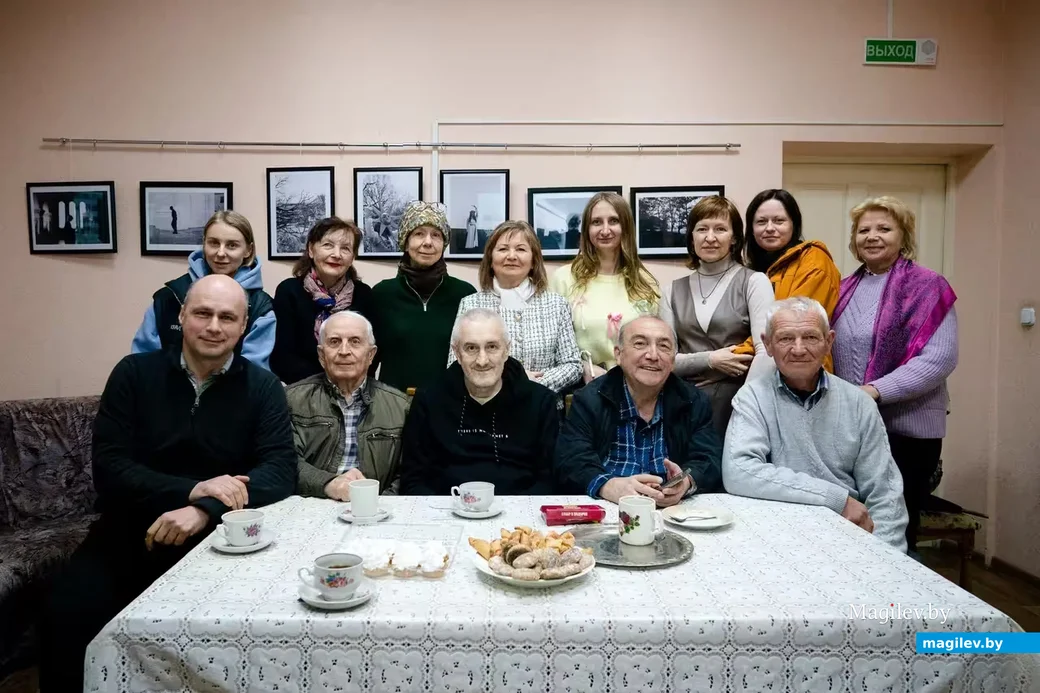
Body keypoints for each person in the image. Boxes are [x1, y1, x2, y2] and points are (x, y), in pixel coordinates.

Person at [39, 275, 296, 693]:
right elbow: (109, 467)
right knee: (67, 619)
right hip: (129, 534)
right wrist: (193, 489)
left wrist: (203, 510)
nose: (214, 326)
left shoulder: (263, 387)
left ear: (244, 326)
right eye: (203, 313)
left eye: (227, 317)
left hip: (221, 545)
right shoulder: (133, 375)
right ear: (181, 316)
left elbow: (279, 471)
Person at [723, 297, 909, 552]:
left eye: (810, 337)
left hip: (847, 540)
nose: (798, 349)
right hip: (775, 540)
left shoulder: (859, 404)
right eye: (786, 338)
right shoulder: (752, 397)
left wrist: (887, 559)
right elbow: (739, 472)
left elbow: (885, 496)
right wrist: (835, 499)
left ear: (828, 342)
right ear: (767, 344)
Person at [832, 196, 957, 549]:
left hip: (908, 431)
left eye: (884, 229)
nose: (872, 236)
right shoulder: (843, 289)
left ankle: (897, 601)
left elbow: (940, 359)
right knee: (854, 523)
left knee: (897, 527)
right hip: (853, 427)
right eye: (863, 230)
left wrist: (873, 391)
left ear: (904, 236)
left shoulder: (929, 287)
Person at [554, 315, 722, 506]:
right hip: (608, 506)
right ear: (619, 354)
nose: (653, 355)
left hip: (672, 510)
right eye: (640, 344)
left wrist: (685, 482)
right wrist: (608, 486)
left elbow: (708, 459)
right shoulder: (590, 399)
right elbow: (570, 460)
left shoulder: (693, 400)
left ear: (673, 360)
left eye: (664, 346)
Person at [400, 308, 558, 495]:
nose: (482, 361)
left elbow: (551, 479)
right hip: (446, 513)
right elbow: (412, 481)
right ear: (457, 353)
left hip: (518, 516)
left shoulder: (541, 402)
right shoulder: (428, 400)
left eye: (492, 347)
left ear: (507, 350)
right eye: (471, 348)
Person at [659, 195, 774, 437]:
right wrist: (710, 360)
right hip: (683, 407)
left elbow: (767, 352)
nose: (710, 237)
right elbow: (665, 360)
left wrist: (745, 404)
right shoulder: (670, 290)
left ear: (734, 238)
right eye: (702, 229)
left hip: (738, 406)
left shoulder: (754, 282)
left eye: (720, 229)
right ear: (692, 237)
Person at [287, 311, 409, 500]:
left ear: (371, 355)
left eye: (355, 341)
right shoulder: (291, 400)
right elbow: (285, 460)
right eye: (334, 342)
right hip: (312, 505)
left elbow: (408, 470)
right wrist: (327, 484)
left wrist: (379, 503)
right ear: (321, 354)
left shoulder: (401, 406)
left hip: (379, 509)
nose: (344, 351)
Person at [449, 220, 581, 394]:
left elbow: (573, 365)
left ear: (533, 260)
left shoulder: (557, 305)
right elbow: (455, 362)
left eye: (520, 249)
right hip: (484, 408)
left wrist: (534, 383)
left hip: (542, 408)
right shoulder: (471, 304)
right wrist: (508, 381)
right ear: (490, 259)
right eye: (503, 249)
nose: (511, 256)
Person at [131, 210, 276, 370]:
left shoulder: (260, 308)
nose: (221, 253)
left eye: (232, 245)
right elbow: (141, 365)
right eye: (214, 243)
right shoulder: (169, 298)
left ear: (248, 250)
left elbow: (255, 376)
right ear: (204, 244)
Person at [550, 192, 660, 382]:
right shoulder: (564, 278)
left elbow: (655, 343)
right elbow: (551, 344)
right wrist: (582, 367)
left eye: (614, 221)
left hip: (636, 386)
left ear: (625, 227)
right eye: (597, 222)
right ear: (586, 229)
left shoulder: (645, 282)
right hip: (582, 387)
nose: (605, 229)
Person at [371, 201, 476, 392]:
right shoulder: (382, 294)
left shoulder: (465, 295)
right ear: (405, 240)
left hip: (449, 406)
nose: (427, 242)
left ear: (443, 243)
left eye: (436, 235)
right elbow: (368, 359)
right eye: (419, 233)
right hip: (392, 407)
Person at [738, 189, 842, 370]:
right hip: (763, 368)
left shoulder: (814, 260)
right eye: (761, 222)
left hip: (803, 371)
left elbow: (790, 321)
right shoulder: (753, 269)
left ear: (794, 224)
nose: (769, 228)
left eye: (779, 221)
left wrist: (733, 354)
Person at [271, 217, 376, 385]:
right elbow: (282, 357)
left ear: (352, 257)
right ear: (311, 250)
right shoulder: (289, 291)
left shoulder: (363, 295)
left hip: (352, 389)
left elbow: (369, 355)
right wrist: (327, 385)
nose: (336, 254)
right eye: (328, 245)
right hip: (303, 390)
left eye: (346, 248)